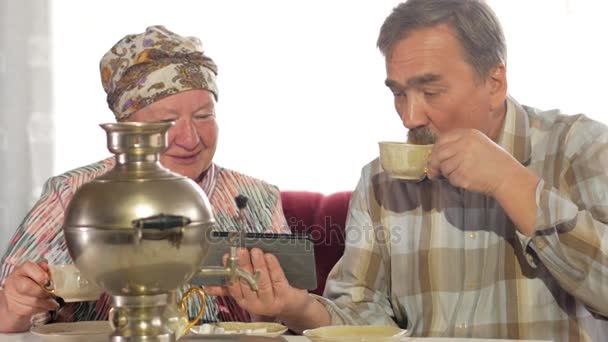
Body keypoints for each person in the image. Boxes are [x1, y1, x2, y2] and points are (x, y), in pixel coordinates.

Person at [204, 0, 608, 340]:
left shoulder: (578, 148)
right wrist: (297, 308)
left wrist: (510, 183)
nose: (409, 117)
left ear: (495, 81)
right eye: (398, 93)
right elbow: (363, 316)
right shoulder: (381, 181)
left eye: (431, 92)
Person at [0, 25, 289, 333]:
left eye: (204, 116)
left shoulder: (258, 197)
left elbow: (292, 319)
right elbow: (8, 312)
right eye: (167, 121)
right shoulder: (74, 194)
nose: (189, 138)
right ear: (126, 126)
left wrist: (274, 309)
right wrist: (16, 303)